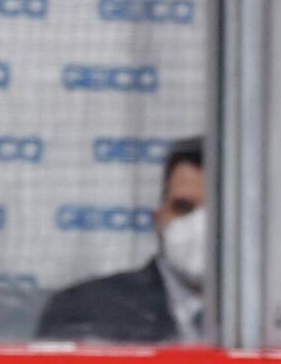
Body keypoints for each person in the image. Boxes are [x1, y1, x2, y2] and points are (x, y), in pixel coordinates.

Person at [36, 136, 206, 342]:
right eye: (184, 209)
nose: (200, 226)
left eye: (218, 211)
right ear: (158, 219)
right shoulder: (86, 310)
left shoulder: (256, 321)